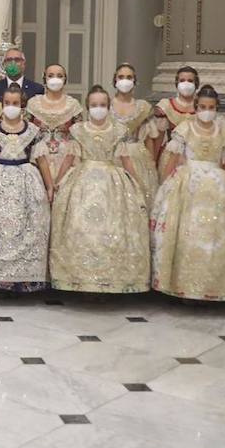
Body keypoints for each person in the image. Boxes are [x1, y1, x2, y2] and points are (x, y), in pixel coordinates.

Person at [150, 85, 225, 301]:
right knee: (188, 232)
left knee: (216, 235)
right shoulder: (184, 129)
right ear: (195, 107)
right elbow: (172, 160)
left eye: (212, 107)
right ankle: (184, 285)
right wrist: (166, 186)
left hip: (218, 185)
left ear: (217, 108)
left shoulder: (224, 132)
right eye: (203, 107)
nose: (207, 111)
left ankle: (213, 286)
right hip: (189, 186)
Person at [49, 86, 150, 294]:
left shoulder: (118, 130)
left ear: (109, 107)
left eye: (103, 105)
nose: (98, 109)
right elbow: (69, 157)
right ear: (88, 107)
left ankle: (110, 280)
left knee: (112, 228)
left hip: (112, 182)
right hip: (82, 180)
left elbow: (125, 159)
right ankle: (80, 280)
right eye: (94, 105)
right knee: (79, 226)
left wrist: (137, 183)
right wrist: (57, 181)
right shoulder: (78, 131)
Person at [0, 84, 55, 293]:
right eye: (7, 103)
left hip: (26, 184)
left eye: (15, 103)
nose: (11, 107)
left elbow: (42, 161)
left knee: (28, 228)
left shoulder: (34, 132)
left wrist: (50, 186)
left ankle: (22, 280)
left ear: (22, 105)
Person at [109, 63, 161, 204]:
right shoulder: (106, 105)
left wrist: (151, 163)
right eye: (121, 77)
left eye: (129, 77)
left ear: (134, 81)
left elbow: (150, 138)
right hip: (112, 157)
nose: (125, 80)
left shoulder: (142, 107)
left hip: (138, 157)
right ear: (115, 80)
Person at [25, 64, 82, 177]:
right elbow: (25, 133)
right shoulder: (33, 104)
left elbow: (79, 137)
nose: (55, 79)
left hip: (66, 163)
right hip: (37, 160)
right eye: (51, 75)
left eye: (59, 75)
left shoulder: (73, 105)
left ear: (65, 79)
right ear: (44, 78)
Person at [153, 65, 198, 180]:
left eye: (190, 80)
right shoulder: (166, 106)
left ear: (196, 83)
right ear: (176, 83)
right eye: (182, 80)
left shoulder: (202, 107)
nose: (186, 83)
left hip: (196, 157)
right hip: (171, 156)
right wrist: (153, 161)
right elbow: (158, 137)